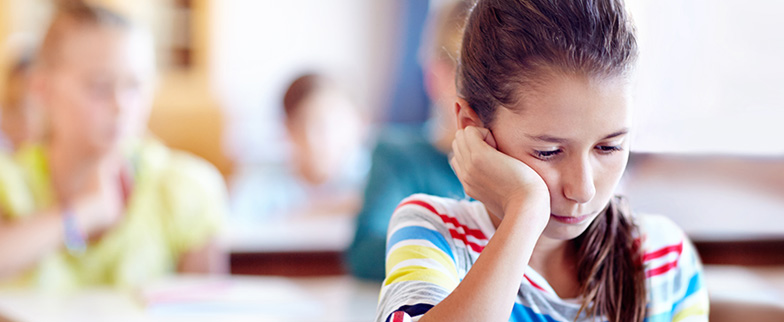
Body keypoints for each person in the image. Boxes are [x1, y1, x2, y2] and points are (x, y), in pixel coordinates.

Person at [376, 0, 709, 321]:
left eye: (609, 148)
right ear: (471, 126)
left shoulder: (665, 258)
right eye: (548, 152)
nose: (583, 190)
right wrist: (526, 209)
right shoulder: (435, 233)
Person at [0, 2, 227, 290]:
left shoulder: (184, 187)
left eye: (134, 85)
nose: (121, 106)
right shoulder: (9, 182)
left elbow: (207, 310)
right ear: (42, 88)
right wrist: (81, 214)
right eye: (100, 86)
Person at [347, 0, 470, 281]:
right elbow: (366, 253)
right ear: (436, 77)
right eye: (470, 78)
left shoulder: (522, 165)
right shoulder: (397, 155)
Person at [230, 73, 368, 222]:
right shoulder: (261, 185)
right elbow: (236, 225)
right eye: (313, 125)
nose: (327, 137)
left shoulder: (375, 177)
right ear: (288, 129)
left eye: (338, 123)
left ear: (360, 124)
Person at [0, 53, 42, 150]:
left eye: (28, 81)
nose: (24, 87)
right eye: (20, 80)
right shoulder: (2, 112)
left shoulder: (36, 113)